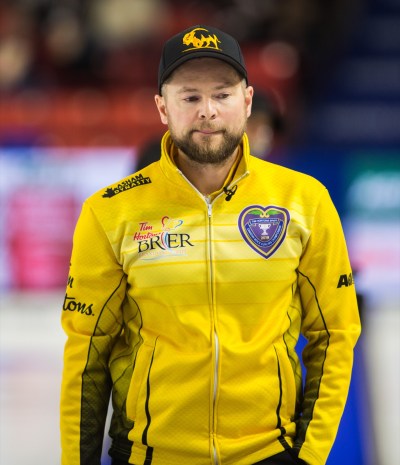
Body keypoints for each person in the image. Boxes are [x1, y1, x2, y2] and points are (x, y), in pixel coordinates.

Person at [60, 25, 361, 465]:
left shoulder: (305, 200)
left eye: (222, 94)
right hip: (149, 456)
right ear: (162, 107)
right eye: (190, 97)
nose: (208, 111)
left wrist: (310, 456)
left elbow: (335, 333)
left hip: (269, 454)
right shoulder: (109, 212)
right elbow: (87, 352)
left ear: (248, 101)